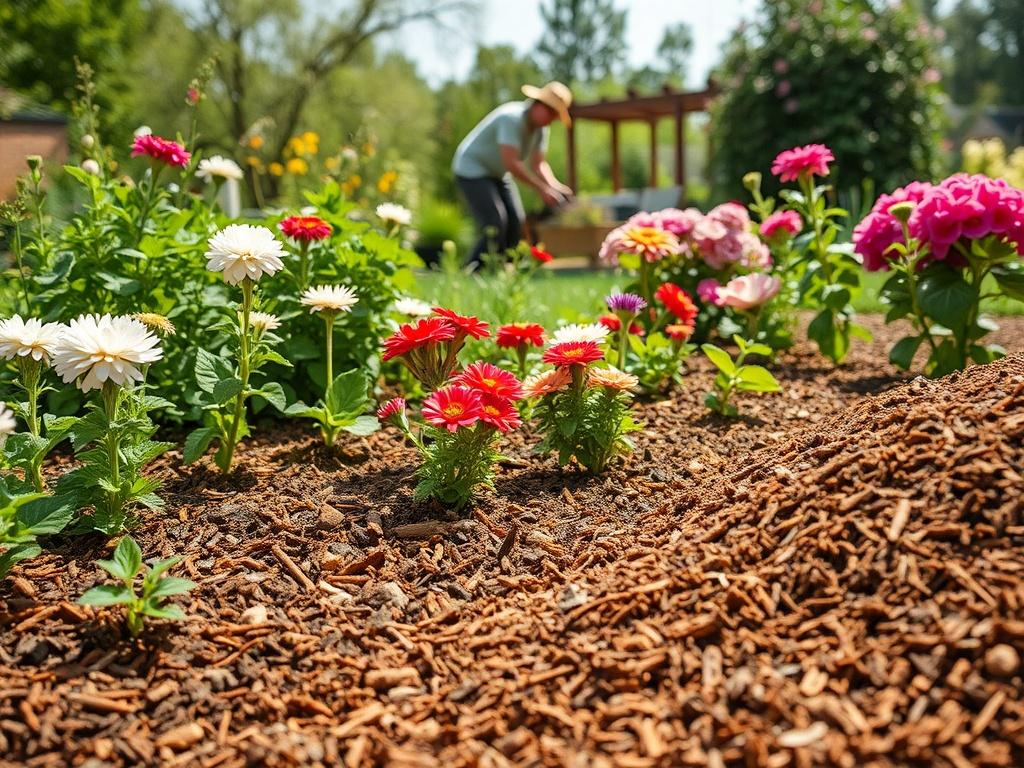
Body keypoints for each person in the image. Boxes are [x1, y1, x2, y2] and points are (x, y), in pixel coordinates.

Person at [452, 81, 575, 267]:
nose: (552, 119)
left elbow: (538, 164)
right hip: (471, 169)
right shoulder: (511, 118)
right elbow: (511, 163)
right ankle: (473, 270)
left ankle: (504, 270)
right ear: (539, 104)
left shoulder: (541, 129)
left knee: (516, 222)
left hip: (498, 173)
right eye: (552, 113)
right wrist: (542, 189)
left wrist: (556, 187)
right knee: (495, 222)